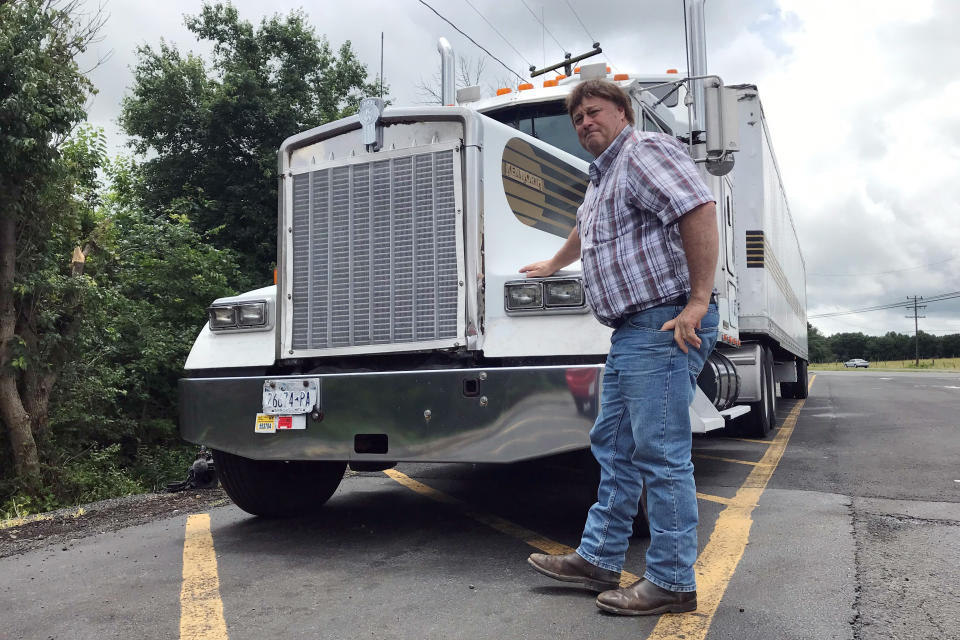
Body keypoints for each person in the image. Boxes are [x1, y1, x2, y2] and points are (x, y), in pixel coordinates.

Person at [521, 80, 720, 616]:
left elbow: (698, 208)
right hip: (633, 332)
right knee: (614, 445)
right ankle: (599, 559)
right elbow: (586, 231)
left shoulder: (643, 152)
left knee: (660, 454)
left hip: (665, 323)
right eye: (578, 117)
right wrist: (555, 264)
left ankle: (673, 581)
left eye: (594, 111)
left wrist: (698, 301)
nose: (585, 122)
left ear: (622, 112)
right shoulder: (602, 178)